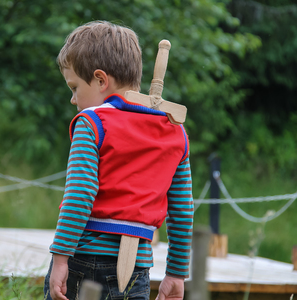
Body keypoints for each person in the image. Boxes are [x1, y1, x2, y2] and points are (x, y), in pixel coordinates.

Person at [44, 21, 193, 300]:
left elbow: (80, 194)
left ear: (101, 80)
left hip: (84, 260)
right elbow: (182, 210)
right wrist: (176, 272)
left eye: (75, 88)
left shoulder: (92, 124)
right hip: (137, 266)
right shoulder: (175, 132)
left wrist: (61, 257)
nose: (73, 100)